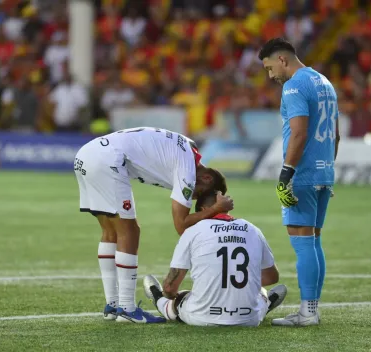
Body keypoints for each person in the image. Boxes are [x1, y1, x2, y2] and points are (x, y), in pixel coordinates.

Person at [74, 127, 233, 323]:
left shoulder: (185, 152)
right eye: (198, 195)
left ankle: (113, 305)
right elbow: (181, 225)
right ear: (207, 178)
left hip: (87, 154)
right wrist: (215, 208)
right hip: (109, 159)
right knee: (130, 231)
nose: (193, 198)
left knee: (110, 231)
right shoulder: (188, 170)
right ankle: (127, 308)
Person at [258, 38, 341, 326]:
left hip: (302, 175)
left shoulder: (293, 86)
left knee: (303, 243)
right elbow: (336, 135)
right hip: (323, 172)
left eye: (270, 68)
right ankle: (311, 309)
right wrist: (326, 169)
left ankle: (307, 313)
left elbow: (299, 133)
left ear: (282, 59)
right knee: (314, 242)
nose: (271, 76)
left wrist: (286, 174)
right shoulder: (325, 82)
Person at [142, 190, 287, 327]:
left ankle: (159, 300)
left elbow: (170, 288)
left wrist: (170, 295)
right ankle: (266, 302)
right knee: (260, 292)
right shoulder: (252, 229)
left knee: (180, 298)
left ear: (203, 210)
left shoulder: (193, 230)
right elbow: (272, 276)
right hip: (250, 319)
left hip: (201, 317)